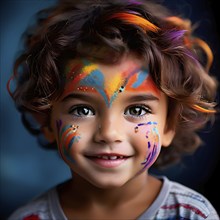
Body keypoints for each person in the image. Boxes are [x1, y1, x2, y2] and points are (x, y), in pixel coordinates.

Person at [7, 0, 219, 219]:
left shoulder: (192, 215)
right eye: (82, 110)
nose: (109, 133)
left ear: (169, 125)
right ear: (46, 121)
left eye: (137, 110)